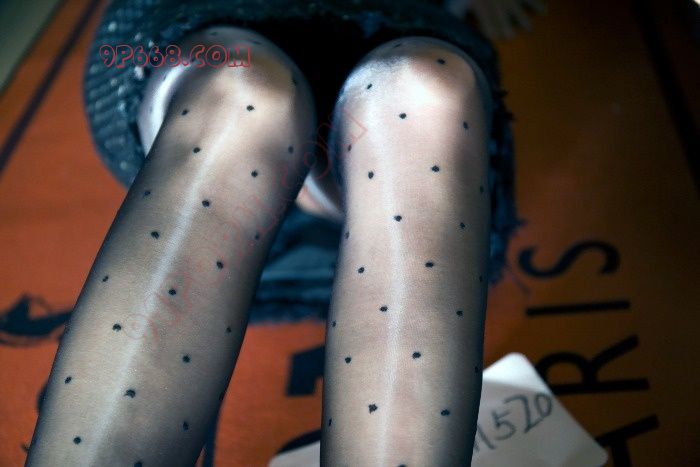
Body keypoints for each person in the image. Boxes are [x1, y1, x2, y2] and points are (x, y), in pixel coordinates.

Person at [26, 0, 526, 465]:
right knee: (241, 91)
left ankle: (312, 163)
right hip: (201, 24)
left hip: (390, 15)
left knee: (421, 91)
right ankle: (300, 163)